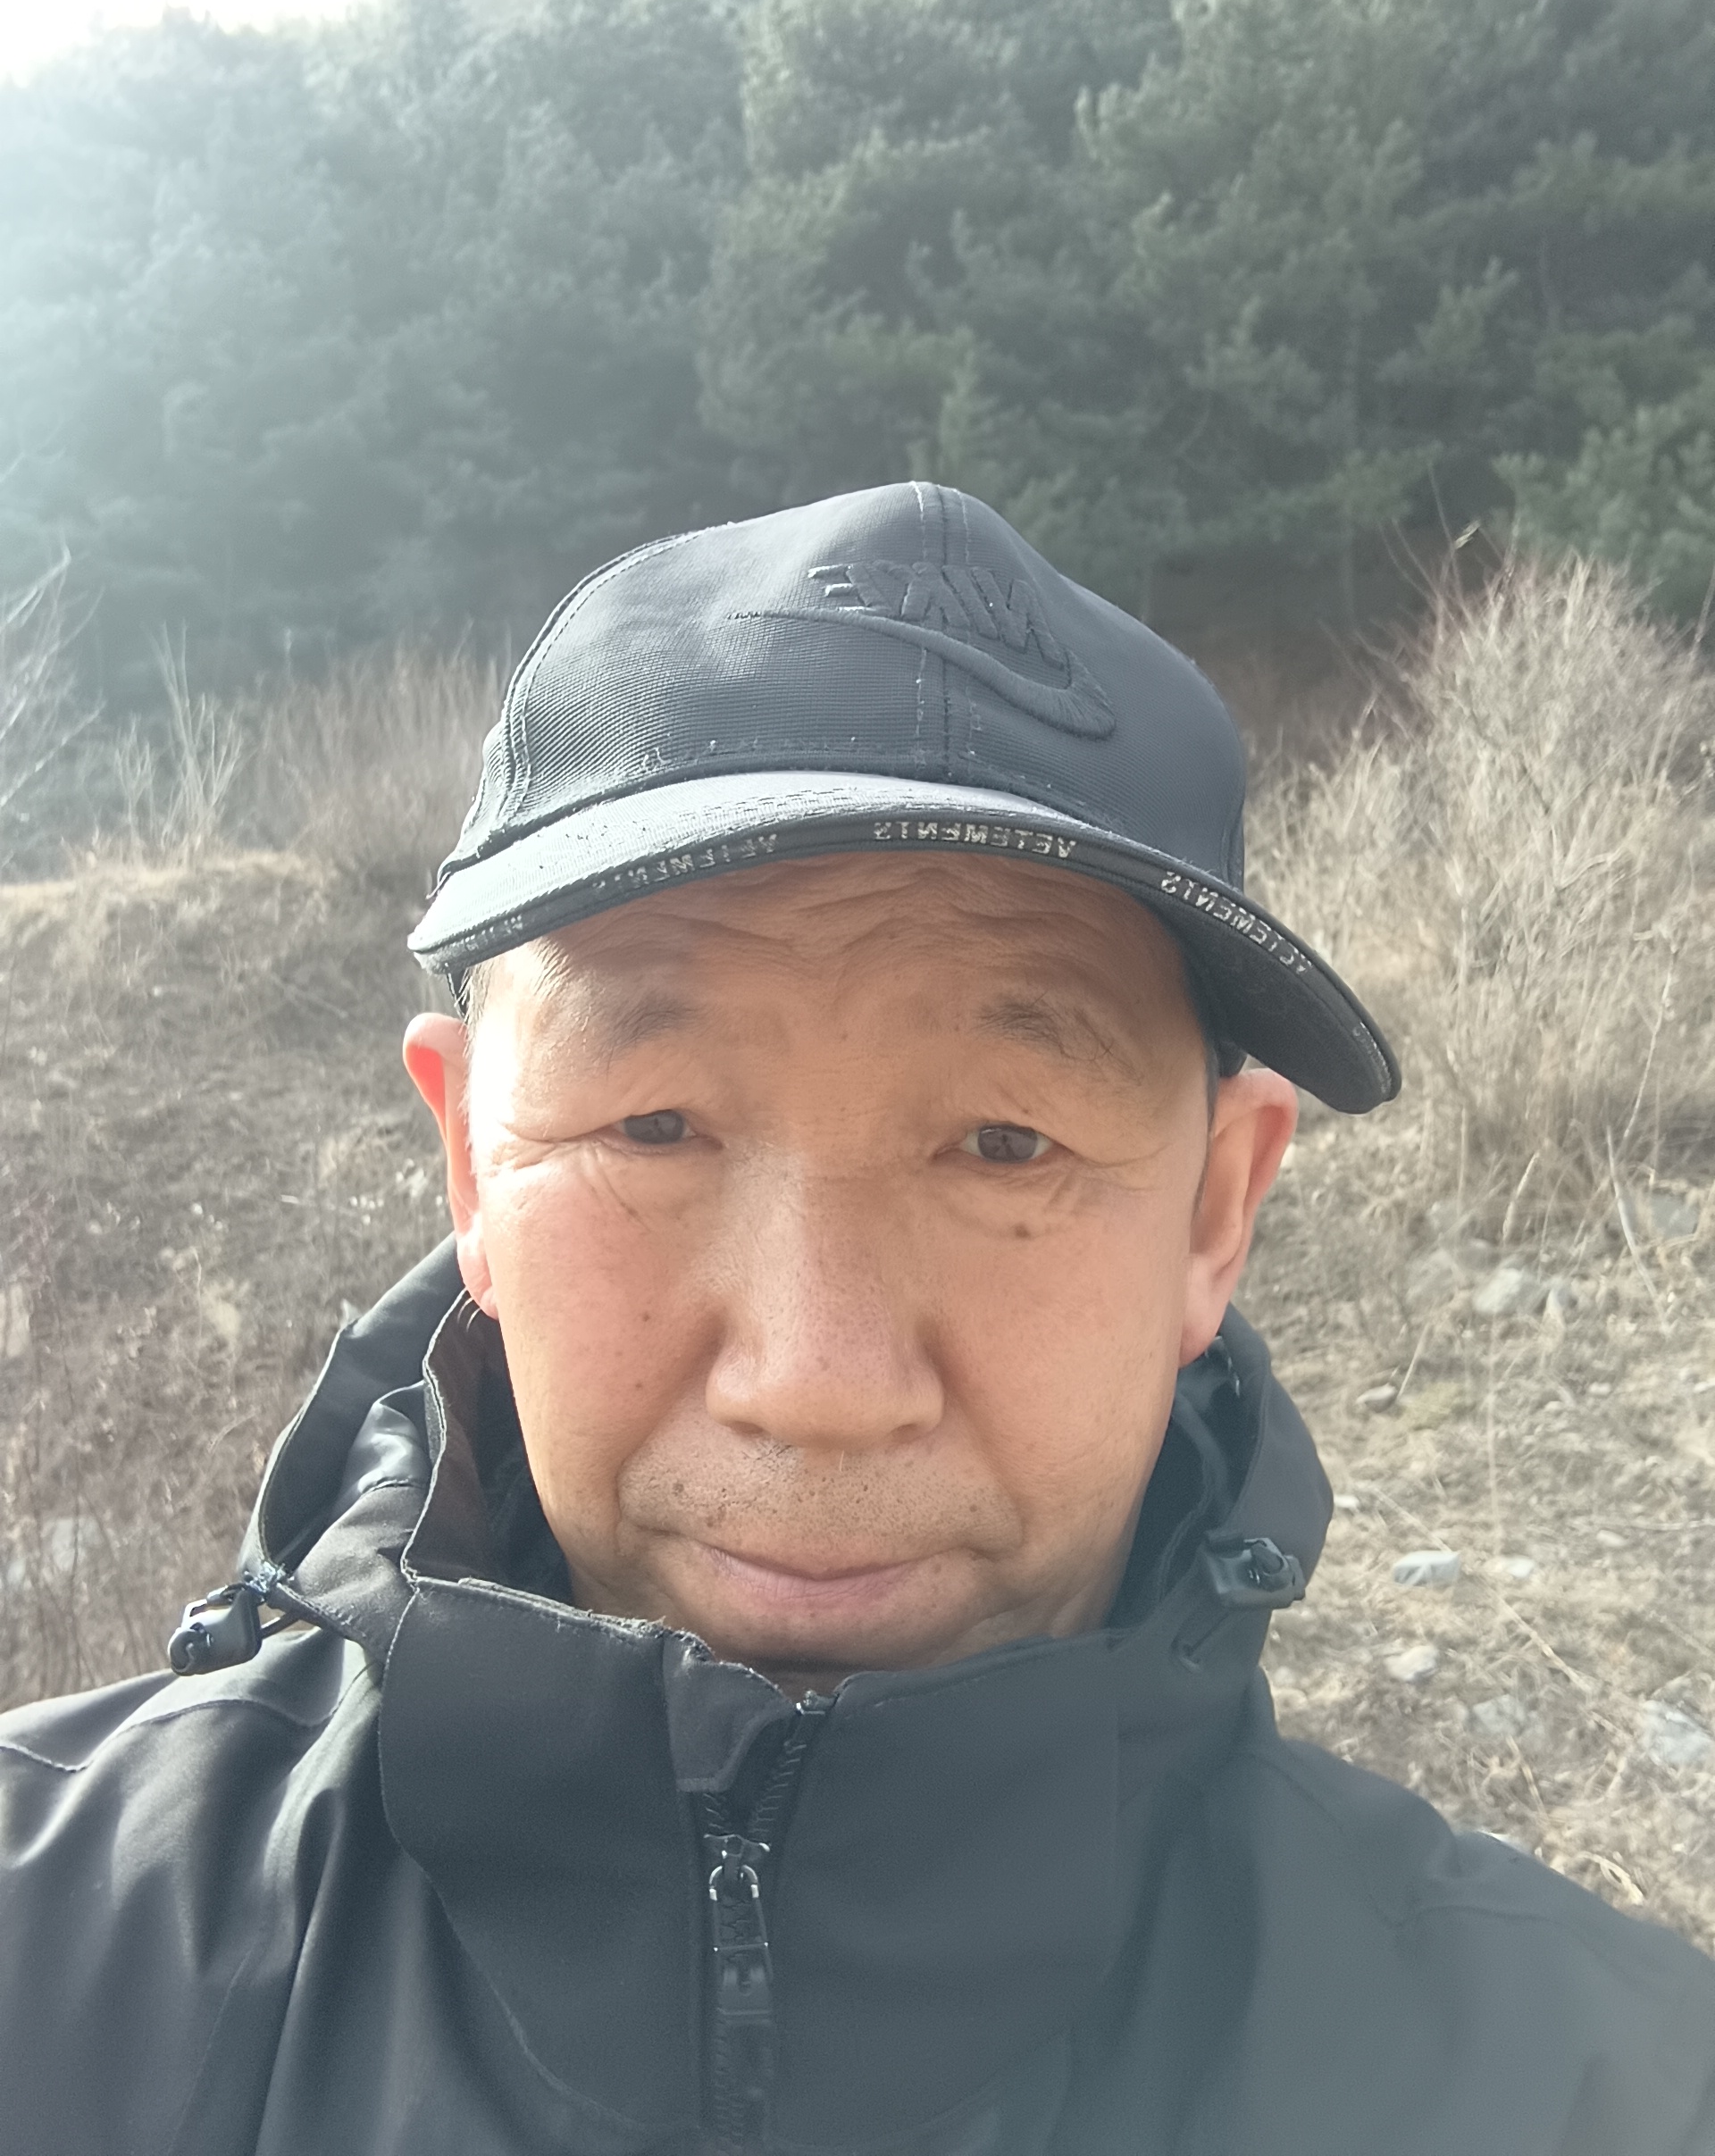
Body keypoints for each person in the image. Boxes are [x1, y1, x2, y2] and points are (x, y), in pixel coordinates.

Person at [1, 483, 1711, 2156]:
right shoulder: (52, 1952)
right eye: (654, 1126)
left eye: (1005, 1143)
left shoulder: (1602, 2090)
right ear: (469, 1165)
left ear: (1216, 1212)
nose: (816, 1383)